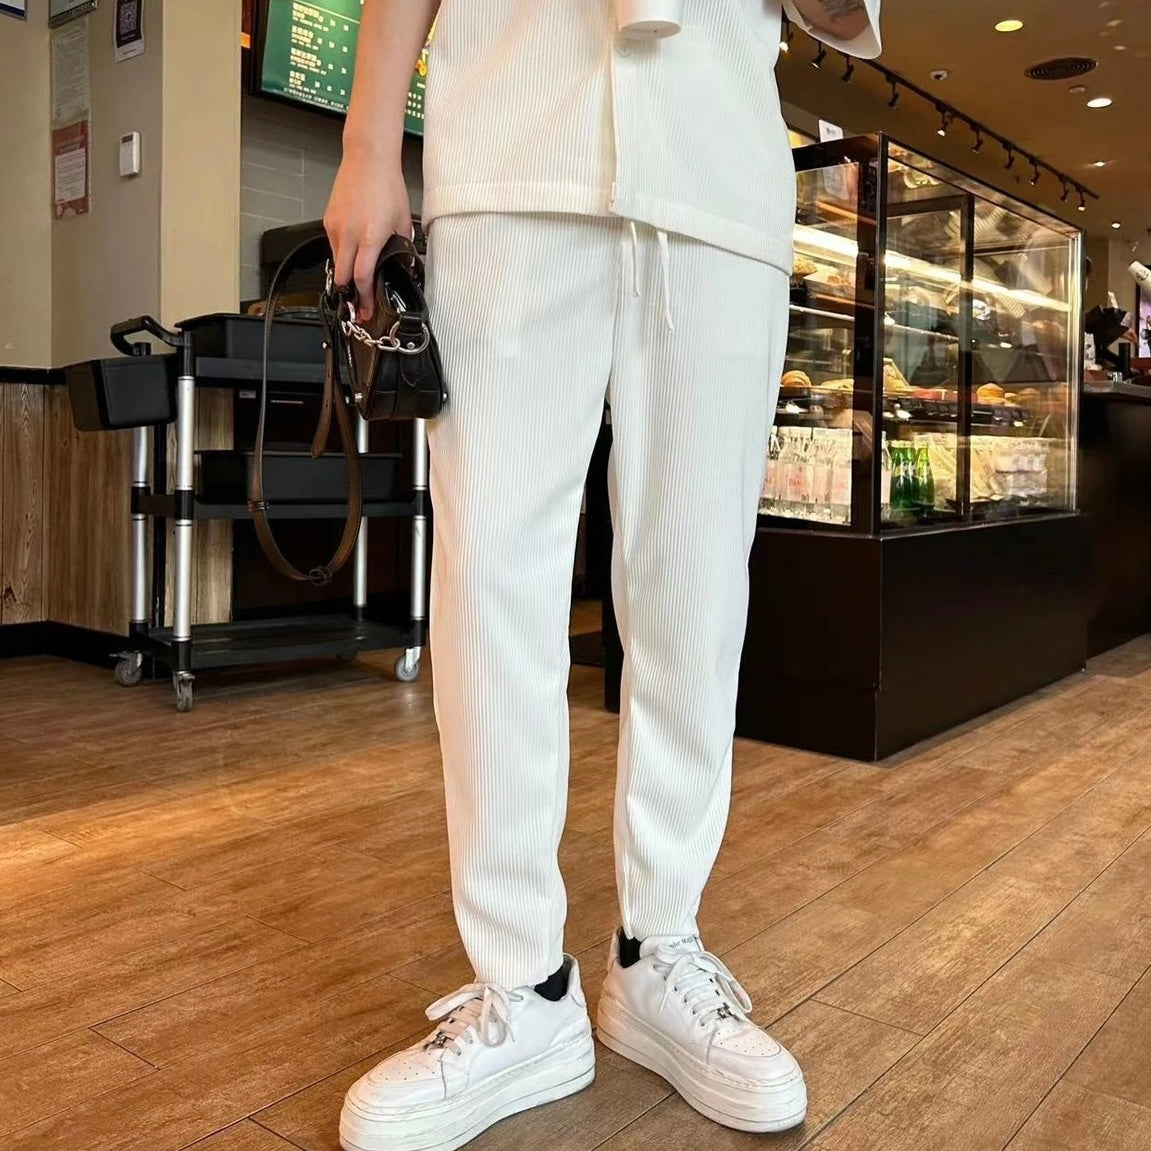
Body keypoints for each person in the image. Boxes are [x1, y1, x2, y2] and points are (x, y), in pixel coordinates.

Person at [325, 2, 881, 1148]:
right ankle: (521, 987)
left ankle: (657, 949)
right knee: (490, 583)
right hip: (510, 146)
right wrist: (367, 144)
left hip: (717, 169)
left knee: (695, 591)